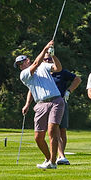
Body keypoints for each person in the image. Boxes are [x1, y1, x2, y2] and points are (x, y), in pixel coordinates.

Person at [17, 41, 65, 170]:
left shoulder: (44, 66)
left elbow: (58, 68)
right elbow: (35, 64)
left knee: (52, 131)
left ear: (28, 59)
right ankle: (48, 158)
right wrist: (45, 49)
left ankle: (53, 162)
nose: (22, 65)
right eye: (19, 64)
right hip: (40, 104)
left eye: (23, 61)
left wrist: (53, 55)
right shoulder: (24, 74)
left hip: (56, 101)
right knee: (38, 137)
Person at [48, 57, 81, 165]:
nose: (48, 61)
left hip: (62, 102)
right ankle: (61, 155)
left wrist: (68, 91)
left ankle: (60, 155)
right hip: (49, 103)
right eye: (45, 59)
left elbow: (77, 79)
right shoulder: (44, 73)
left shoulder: (61, 72)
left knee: (62, 130)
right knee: (55, 129)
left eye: (49, 59)